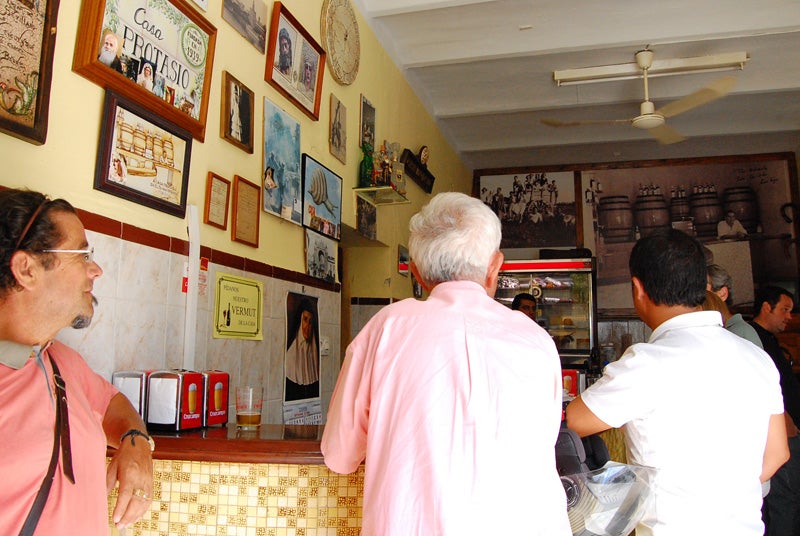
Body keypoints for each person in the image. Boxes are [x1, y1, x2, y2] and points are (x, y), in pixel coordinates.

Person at [321, 192, 571, 536]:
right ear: (494, 267)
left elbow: (340, 454)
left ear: (418, 273)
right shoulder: (536, 340)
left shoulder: (386, 328)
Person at [566, 229, 788, 535]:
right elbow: (778, 454)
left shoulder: (646, 362)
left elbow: (574, 420)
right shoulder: (756, 357)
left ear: (638, 289)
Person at [0, 189, 154, 534]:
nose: (95, 270)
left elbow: (113, 404)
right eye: (81, 255)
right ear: (26, 269)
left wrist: (135, 441)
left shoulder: (63, 362)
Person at [750, 286, 800, 536]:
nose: (789, 317)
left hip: (787, 428)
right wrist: (785, 422)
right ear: (766, 307)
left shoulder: (769, 339)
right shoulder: (753, 340)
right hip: (781, 430)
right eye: (784, 310)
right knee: (785, 498)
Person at [285, 298, 319, 401]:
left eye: (310, 322)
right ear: (300, 320)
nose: (307, 326)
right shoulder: (290, 355)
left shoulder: (314, 355)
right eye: (305, 319)